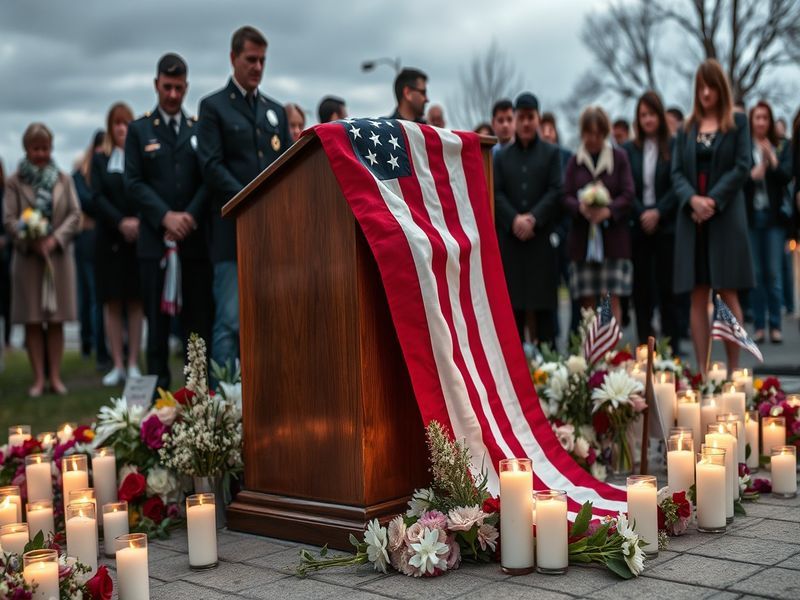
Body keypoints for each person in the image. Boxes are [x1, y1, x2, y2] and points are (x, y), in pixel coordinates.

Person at [198, 26, 290, 368]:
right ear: (233, 58)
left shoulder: (274, 111)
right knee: (229, 321)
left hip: (270, 233)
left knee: (270, 320)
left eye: (262, 60)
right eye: (251, 59)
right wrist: (251, 200)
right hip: (232, 231)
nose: (257, 67)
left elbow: (285, 165)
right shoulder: (213, 107)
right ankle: (224, 403)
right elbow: (211, 166)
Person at [126, 53, 214, 390]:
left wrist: (189, 216)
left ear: (186, 87)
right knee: (157, 332)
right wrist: (165, 216)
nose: (173, 95)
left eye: (179, 88)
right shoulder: (139, 129)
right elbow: (133, 182)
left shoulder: (197, 129)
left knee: (198, 327)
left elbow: (207, 179)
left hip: (192, 245)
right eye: (167, 87)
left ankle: (200, 401)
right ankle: (158, 402)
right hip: (155, 245)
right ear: (156, 85)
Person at [672, 59, 753, 375]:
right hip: (693, 222)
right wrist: (693, 200)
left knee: (728, 291)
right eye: (701, 86)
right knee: (697, 294)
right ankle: (703, 374)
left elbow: (742, 165)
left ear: (720, 87)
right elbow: (676, 172)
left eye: (711, 86)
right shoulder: (686, 128)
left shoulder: (738, 122)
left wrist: (713, 201)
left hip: (725, 220)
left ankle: (734, 371)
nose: (706, 92)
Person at [2, 123, 81, 396]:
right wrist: (30, 239)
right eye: (36, 148)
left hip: (57, 259)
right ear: (26, 149)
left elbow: (74, 214)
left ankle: (56, 378)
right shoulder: (14, 182)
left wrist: (55, 238)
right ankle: (38, 379)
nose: (41, 153)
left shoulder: (63, 179)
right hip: (28, 260)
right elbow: (9, 219)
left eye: (45, 148)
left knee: (56, 318)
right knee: (33, 320)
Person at [494, 93, 563, 346]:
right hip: (511, 245)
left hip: (540, 243)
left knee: (544, 318)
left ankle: (550, 374)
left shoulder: (552, 154)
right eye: (520, 117)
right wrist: (514, 220)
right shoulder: (501, 157)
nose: (525, 123)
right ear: (515, 120)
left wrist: (533, 218)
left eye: (530, 117)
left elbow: (557, 190)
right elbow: (496, 192)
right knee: (513, 316)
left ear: (537, 118)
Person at [624, 91, 683, 354]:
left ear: (660, 115)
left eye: (651, 114)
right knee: (642, 293)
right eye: (642, 115)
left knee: (668, 291)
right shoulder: (629, 149)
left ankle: (673, 348)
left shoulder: (673, 146)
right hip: (639, 227)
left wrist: (658, 211)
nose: (647, 120)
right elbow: (627, 187)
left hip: (665, 226)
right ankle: (645, 351)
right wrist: (642, 213)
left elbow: (677, 184)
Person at [564, 107, 634, 323]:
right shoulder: (575, 161)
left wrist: (608, 210)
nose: (592, 139)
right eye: (588, 133)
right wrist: (580, 207)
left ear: (604, 133)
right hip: (583, 242)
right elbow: (565, 195)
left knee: (610, 299)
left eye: (597, 134)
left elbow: (629, 192)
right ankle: (590, 352)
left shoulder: (619, 157)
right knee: (587, 302)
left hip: (613, 241)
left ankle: (612, 353)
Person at [93, 102, 144, 385]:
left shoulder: (138, 157)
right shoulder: (101, 159)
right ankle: (117, 364)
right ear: (111, 127)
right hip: (109, 241)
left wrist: (136, 222)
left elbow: (145, 189)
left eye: (126, 122)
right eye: (117, 123)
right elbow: (97, 198)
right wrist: (121, 222)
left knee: (136, 302)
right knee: (112, 303)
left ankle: (134, 361)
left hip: (137, 241)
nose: (122, 128)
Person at [744, 100, 792, 344]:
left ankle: (776, 325)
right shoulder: (744, 147)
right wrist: (751, 176)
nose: (761, 122)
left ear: (770, 121)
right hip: (752, 218)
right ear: (751, 120)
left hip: (773, 219)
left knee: (773, 273)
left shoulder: (782, 146)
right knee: (757, 274)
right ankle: (759, 326)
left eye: (765, 118)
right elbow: (738, 179)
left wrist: (772, 161)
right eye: (757, 117)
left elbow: (787, 176)